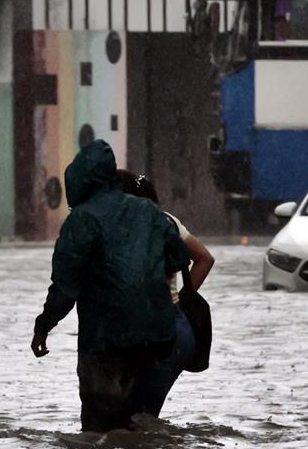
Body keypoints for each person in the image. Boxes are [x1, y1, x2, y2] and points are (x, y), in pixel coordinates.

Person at [30, 140, 191, 433]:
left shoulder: (82, 219)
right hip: (157, 335)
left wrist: (44, 326)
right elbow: (180, 256)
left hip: (106, 338)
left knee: (99, 426)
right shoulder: (148, 210)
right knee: (138, 420)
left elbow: (66, 284)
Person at [120, 171, 214, 420]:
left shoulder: (122, 227)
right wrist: (180, 301)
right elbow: (204, 259)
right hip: (179, 330)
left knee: (128, 421)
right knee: (144, 418)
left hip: (148, 333)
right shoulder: (168, 221)